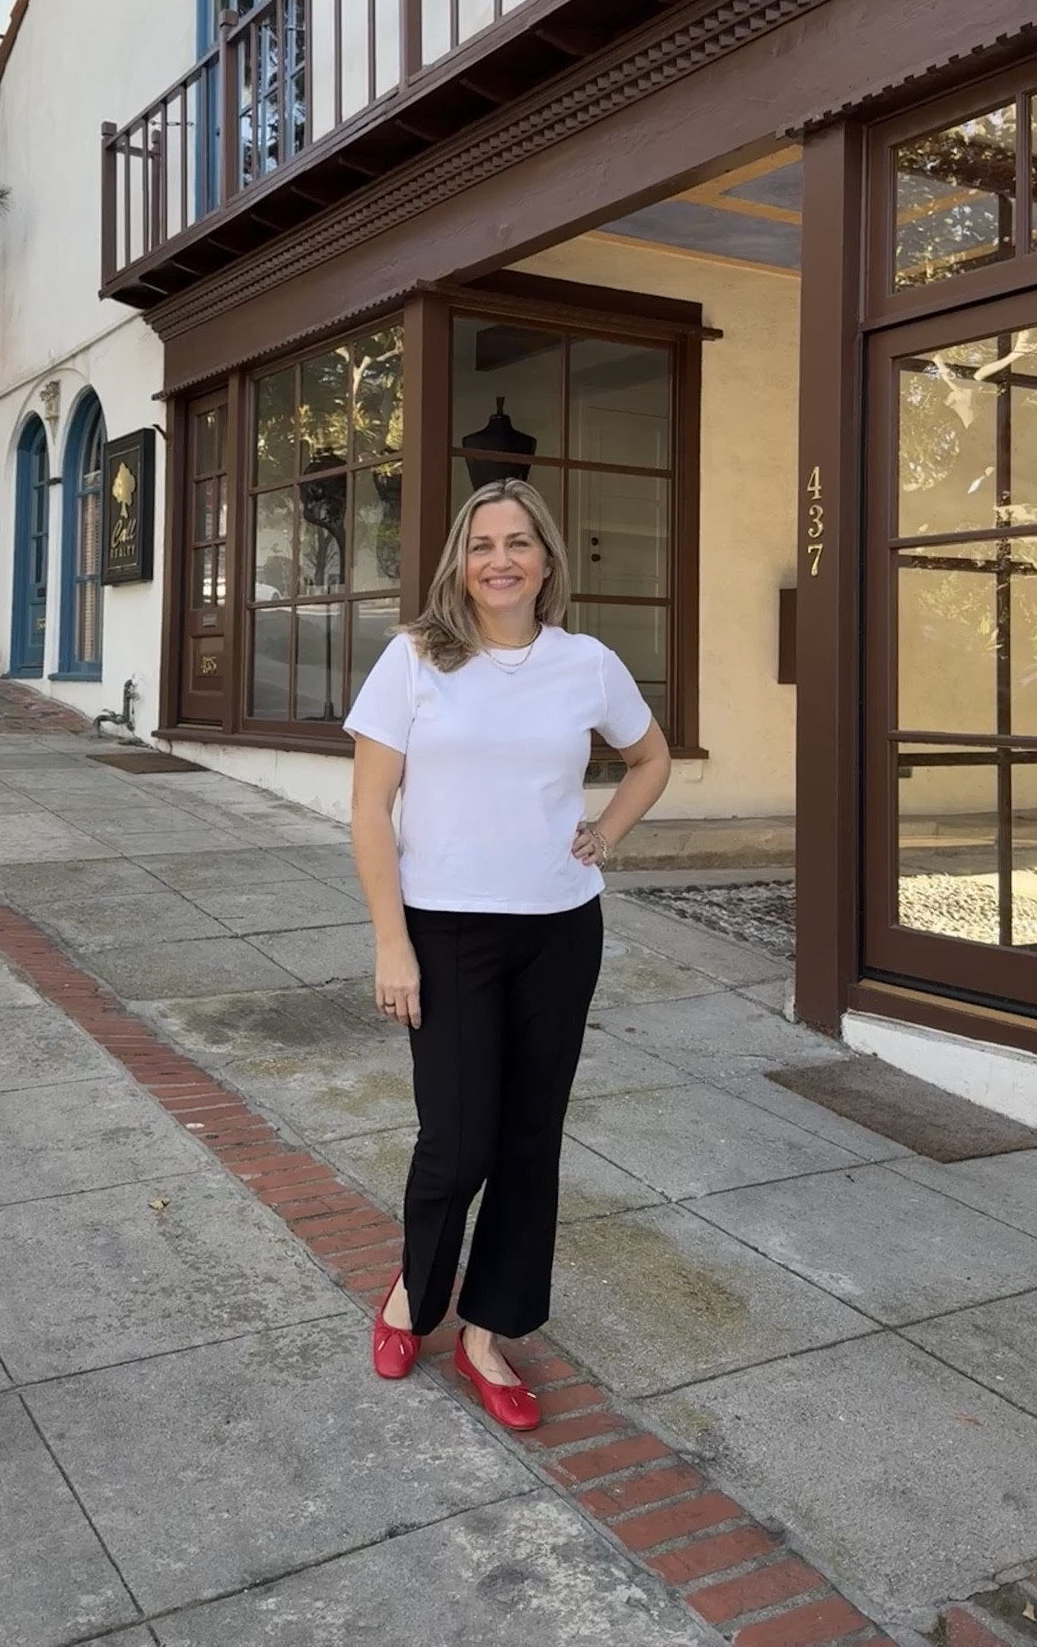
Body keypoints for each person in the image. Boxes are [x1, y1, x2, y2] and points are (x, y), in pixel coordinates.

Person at [344, 477, 671, 1429]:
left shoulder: (587, 663)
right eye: (483, 543)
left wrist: (606, 831)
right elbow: (369, 810)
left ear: (546, 559)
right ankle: (416, 1294)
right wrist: (391, 944)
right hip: (443, 930)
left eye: (519, 542)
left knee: (530, 1138)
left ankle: (489, 1331)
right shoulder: (413, 660)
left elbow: (649, 758)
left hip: (559, 930)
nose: (500, 559)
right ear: (460, 558)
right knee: (455, 1141)